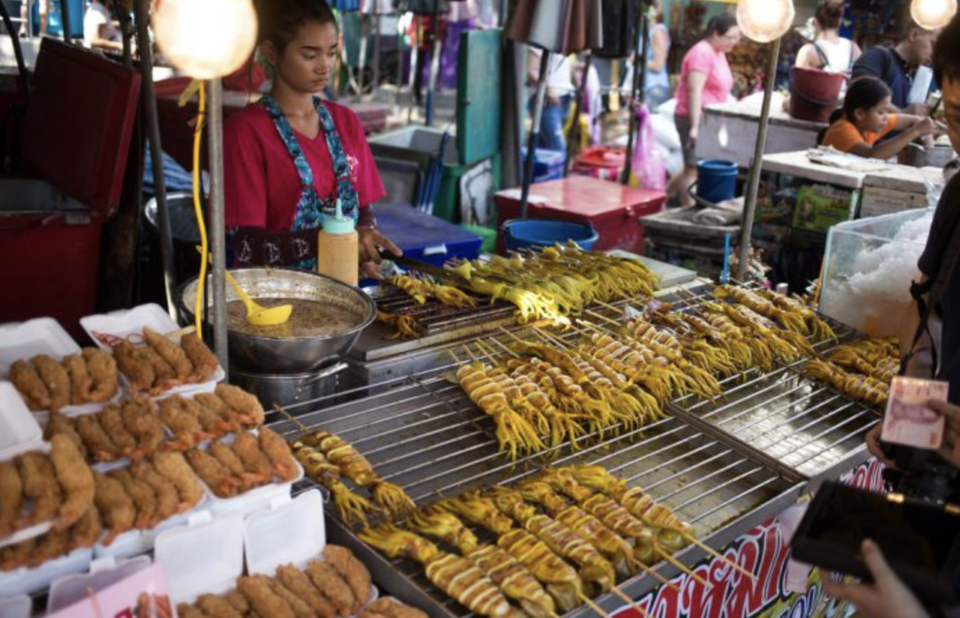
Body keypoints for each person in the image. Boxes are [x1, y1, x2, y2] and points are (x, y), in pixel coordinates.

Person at [838, 14, 960, 618]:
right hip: (939, 482)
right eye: (959, 117)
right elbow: (930, 319)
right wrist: (907, 426)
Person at [223, 0, 400, 274]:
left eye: (331, 53)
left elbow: (364, 207)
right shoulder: (245, 132)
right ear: (271, 52)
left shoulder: (346, 122)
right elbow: (245, 244)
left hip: (346, 290)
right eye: (310, 55)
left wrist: (366, 238)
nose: (325, 66)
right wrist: (334, 239)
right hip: (274, 298)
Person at [666, 13, 739, 206]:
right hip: (693, 117)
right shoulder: (701, 53)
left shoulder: (718, 53)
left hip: (710, 119)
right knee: (693, 169)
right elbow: (694, 91)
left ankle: (662, 197)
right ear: (716, 33)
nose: (734, 42)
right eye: (730, 37)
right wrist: (695, 127)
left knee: (691, 165)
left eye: (736, 38)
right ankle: (687, 214)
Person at [819, 76, 936, 158]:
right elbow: (871, 155)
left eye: (886, 111)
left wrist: (928, 148)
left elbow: (917, 121)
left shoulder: (868, 124)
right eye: (880, 112)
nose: (886, 117)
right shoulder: (842, 129)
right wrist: (915, 132)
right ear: (859, 114)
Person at [851, 18, 939, 113]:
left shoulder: (917, 75)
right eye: (933, 46)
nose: (935, 55)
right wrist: (902, 113)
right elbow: (859, 90)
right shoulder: (879, 56)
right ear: (913, 35)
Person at [620, 0, 672, 111]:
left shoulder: (658, 32)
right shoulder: (645, 30)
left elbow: (658, 65)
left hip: (654, 88)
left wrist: (636, 60)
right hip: (644, 86)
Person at [795, 0, 861, 76]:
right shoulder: (855, 49)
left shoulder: (808, 52)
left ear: (815, 22)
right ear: (839, 21)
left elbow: (798, 85)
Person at [527, 47, 574, 153]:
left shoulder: (564, 36)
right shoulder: (543, 37)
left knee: (543, 148)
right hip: (546, 100)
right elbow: (529, 69)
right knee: (558, 148)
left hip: (562, 96)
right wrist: (547, 89)